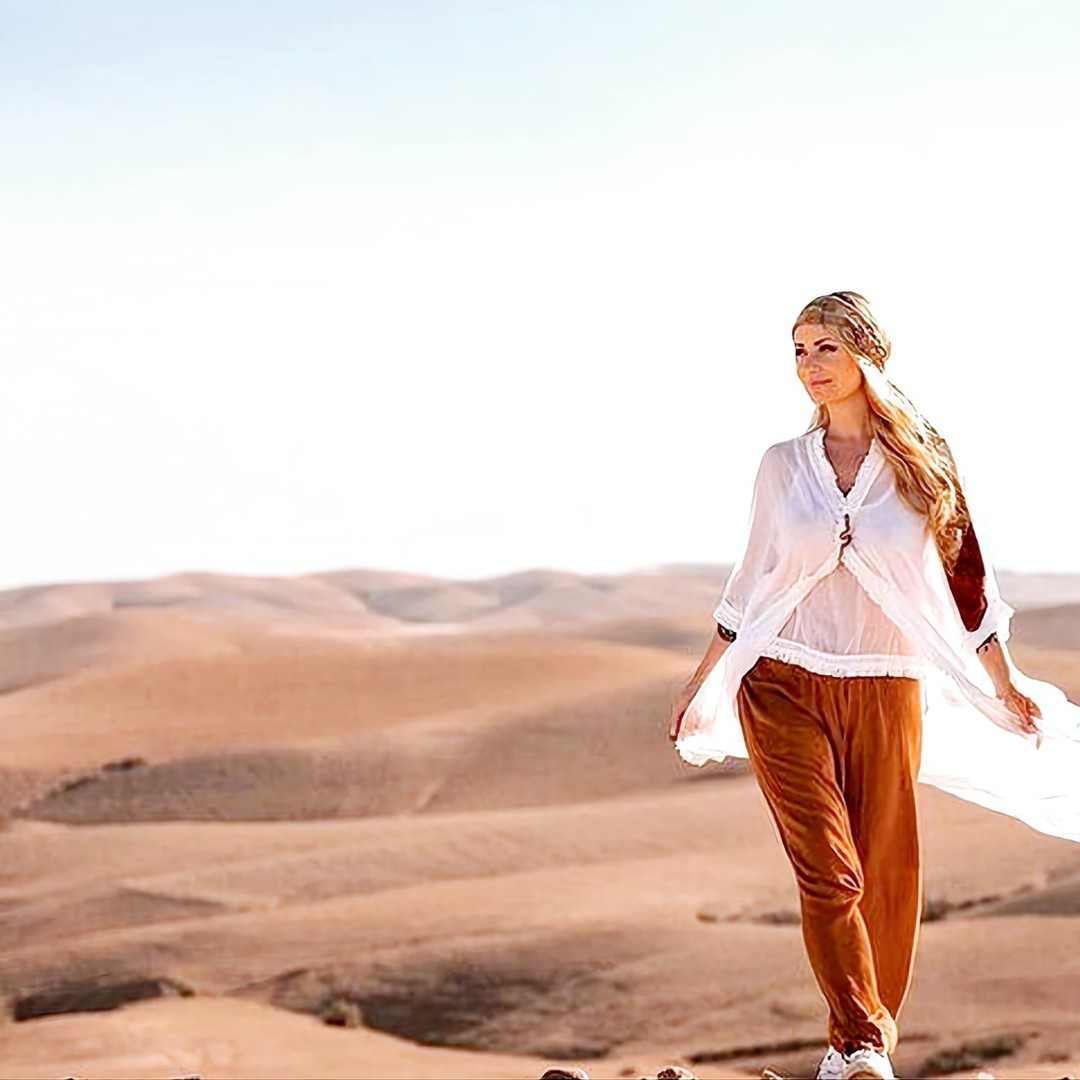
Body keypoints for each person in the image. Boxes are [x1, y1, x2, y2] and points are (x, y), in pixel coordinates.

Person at [666, 291, 1080, 1080]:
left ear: (867, 354)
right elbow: (748, 582)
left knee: (887, 872)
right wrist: (701, 681)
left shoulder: (922, 464)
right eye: (798, 351)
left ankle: (852, 1051)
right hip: (781, 681)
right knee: (830, 869)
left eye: (826, 347)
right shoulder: (782, 466)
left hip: (886, 685)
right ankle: (862, 1043)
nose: (809, 366)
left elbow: (968, 580)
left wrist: (1003, 681)